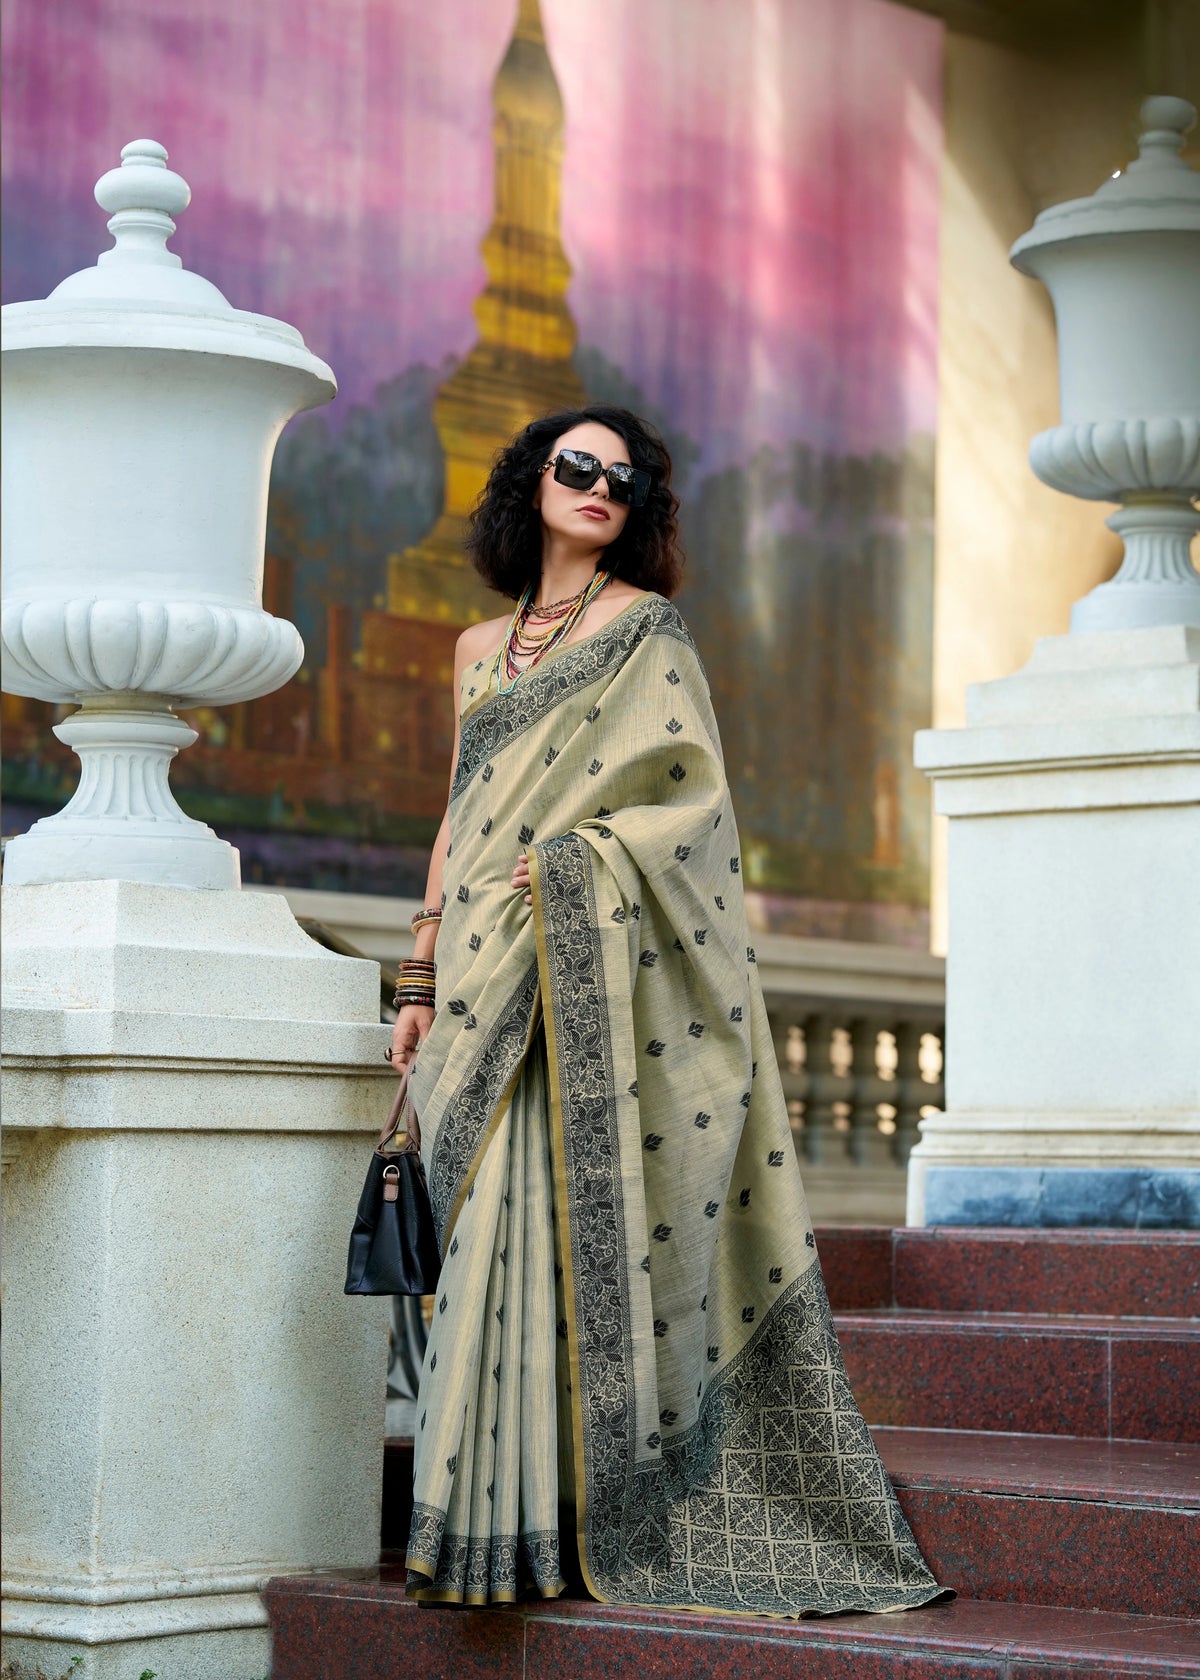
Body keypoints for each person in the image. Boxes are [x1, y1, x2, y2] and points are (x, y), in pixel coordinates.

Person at [390, 403, 946, 1616]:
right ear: (531, 482)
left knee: (551, 1226)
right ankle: (476, 1525)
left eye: (625, 478)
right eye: (577, 467)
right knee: (481, 1241)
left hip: (575, 963)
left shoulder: (646, 631)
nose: (602, 487)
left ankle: (554, 1524)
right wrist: (420, 973)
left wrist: (580, 866)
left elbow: (692, 812)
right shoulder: (477, 646)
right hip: (481, 969)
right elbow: (459, 810)